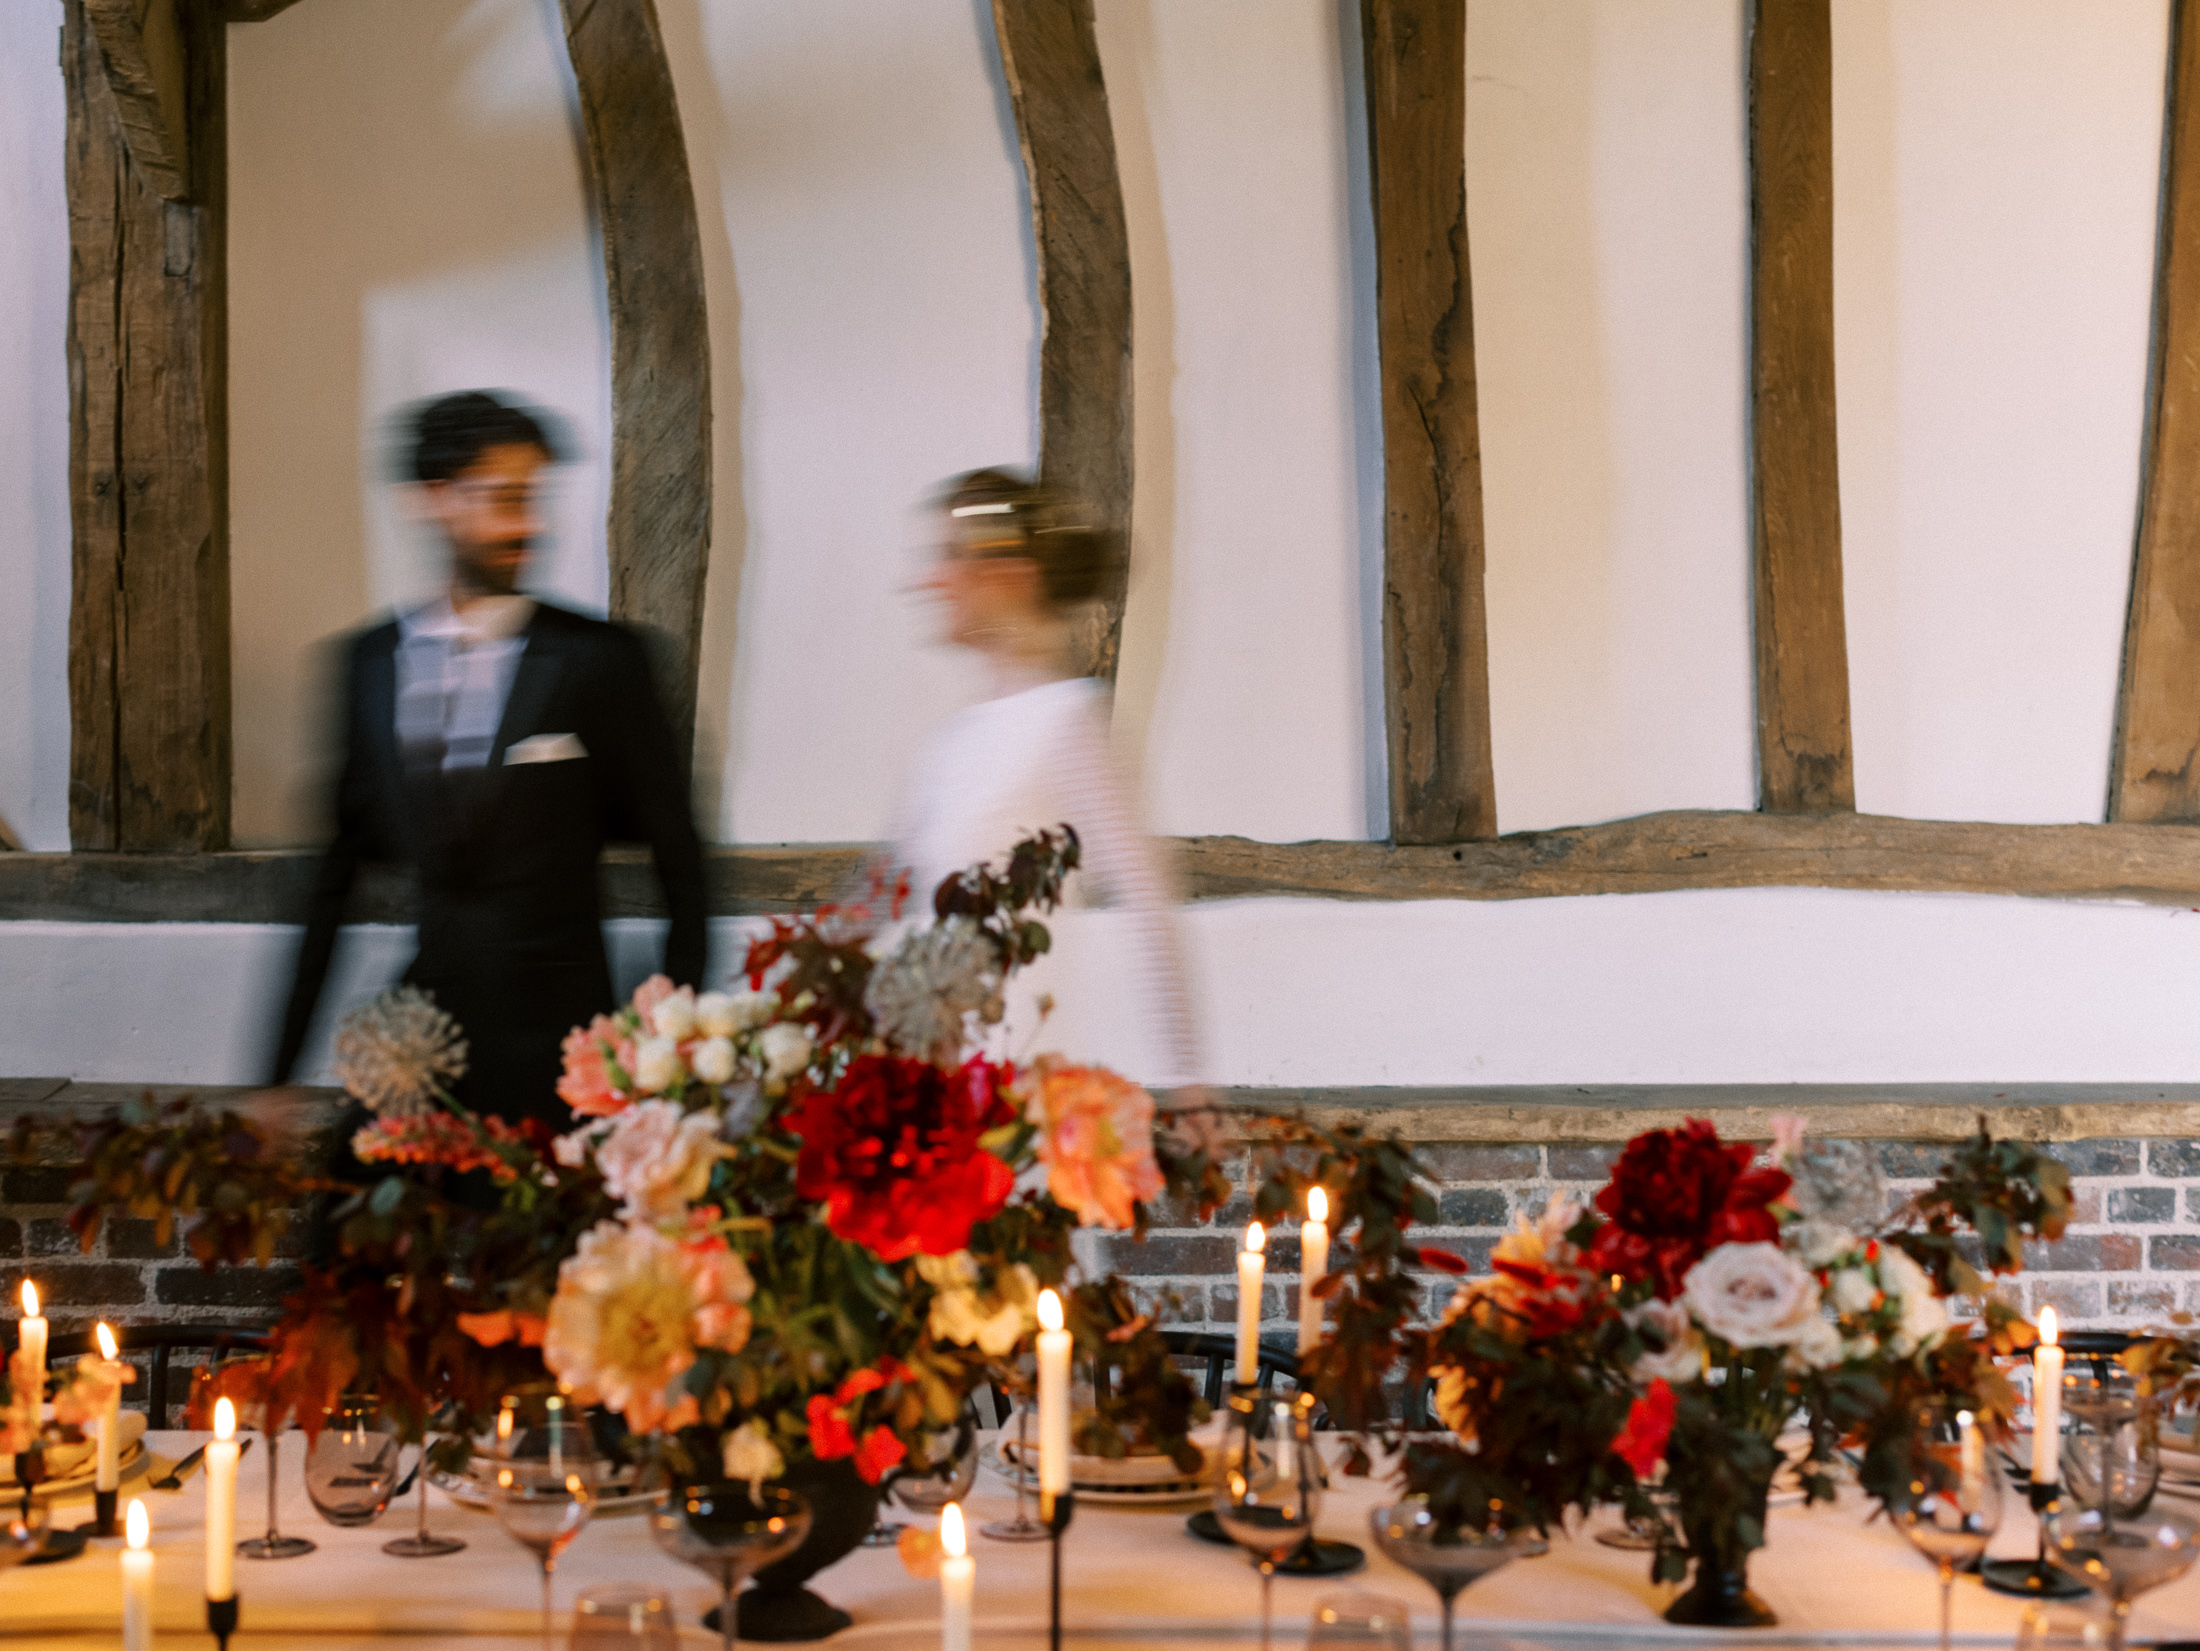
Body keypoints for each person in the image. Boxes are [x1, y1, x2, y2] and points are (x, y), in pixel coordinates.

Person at [268, 390, 707, 1126]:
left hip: (567, 1061)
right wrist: (276, 1075)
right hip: (422, 1057)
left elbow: (683, 870)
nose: (527, 524)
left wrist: (664, 1052)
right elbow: (329, 883)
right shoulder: (367, 666)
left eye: (532, 498)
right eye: (504, 499)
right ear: (432, 501)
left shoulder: (602, 660)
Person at [891, 467, 1203, 1094]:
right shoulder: (954, 739)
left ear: (1009, 574)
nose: (930, 580)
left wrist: (1189, 1080)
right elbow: (888, 902)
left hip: (1005, 1082)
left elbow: (1148, 904)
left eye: (950, 556)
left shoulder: (1067, 721)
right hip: (921, 1076)